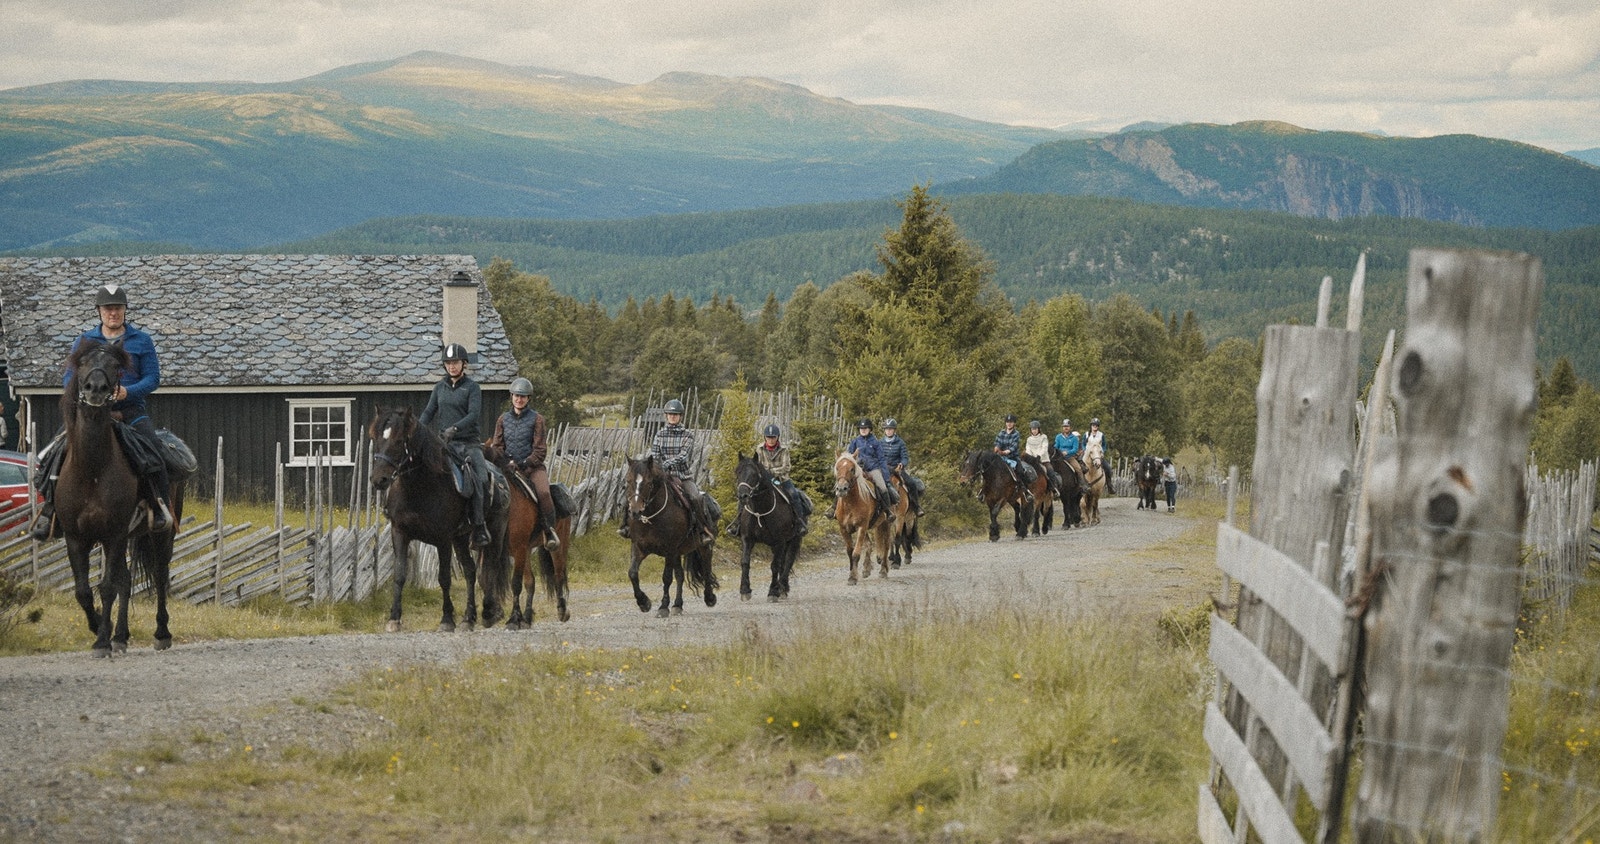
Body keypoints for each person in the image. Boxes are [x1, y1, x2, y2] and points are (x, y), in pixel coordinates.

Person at [30, 283, 173, 540]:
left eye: (117, 308)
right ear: (99, 311)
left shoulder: (142, 341)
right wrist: (83, 395)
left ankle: (159, 506)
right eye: (108, 309)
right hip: (90, 413)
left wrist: (129, 392)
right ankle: (49, 510)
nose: (113, 313)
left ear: (124, 310)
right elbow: (69, 378)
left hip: (129, 411)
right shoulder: (85, 341)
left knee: (154, 451)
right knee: (52, 451)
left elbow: (153, 378)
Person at [419, 343, 492, 548]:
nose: (452, 366)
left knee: (482, 479)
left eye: (455, 362)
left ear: (464, 364)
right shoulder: (439, 388)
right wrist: (416, 429)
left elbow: (473, 414)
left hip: (469, 443)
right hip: (445, 445)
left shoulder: (472, 388)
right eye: (448, 363)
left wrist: (455, 429)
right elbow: (428, 412)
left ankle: (479, 526)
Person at [620, 398, 717, 547]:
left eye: (676, 414)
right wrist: (657, 468)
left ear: (680, 416)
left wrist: (666, 463)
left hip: (682, 476)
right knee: (634, 493)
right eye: (670, 414)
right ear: (666, 416)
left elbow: (683, 456)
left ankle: (702, 530)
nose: (673, 417)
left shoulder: (687, 435)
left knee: (696, 497)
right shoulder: (659, 435)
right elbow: (655, 455)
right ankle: (626, 526)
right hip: (662, 476)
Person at [488, 376, 560, 550]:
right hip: (507, 467)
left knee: (543, 492)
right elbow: (497, 446)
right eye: (516, 396)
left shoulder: (537, 419)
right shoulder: (502, 419)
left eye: (523, 396)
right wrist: (506, 462)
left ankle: (549, 530)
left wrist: (523, 462)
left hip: (532, 468)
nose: (519, 399)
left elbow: (540, 450)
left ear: (528, 399)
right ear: (511, 396)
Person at [729, 423, 812, 537]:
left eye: (773, 437)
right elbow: (756, 465)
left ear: (778, 437)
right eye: (768, 437)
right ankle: (738, 523)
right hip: (764, 481)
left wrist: (769, 472)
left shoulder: (784, 450)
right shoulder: (759, 449)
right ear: (765, 437)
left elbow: (786, 467)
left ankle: (799, 522)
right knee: (745, 496)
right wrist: (764, 474)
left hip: (782, 479)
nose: (771, 440)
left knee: (793, 495)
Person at [845, 418, 897, 515]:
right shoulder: (854, 442)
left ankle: (888, 511)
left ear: (870, 429)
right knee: (842, 484)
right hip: (858, 470)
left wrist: (886, 479)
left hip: (873, 469)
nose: (863, 430)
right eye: (861, 428)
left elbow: (882, 460)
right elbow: (849, 457)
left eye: (866, 428)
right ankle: (834, 508)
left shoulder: (876, 443)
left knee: (883, 488)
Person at [878, 418, 925, 516]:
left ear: (894, 430)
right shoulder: (880, 443)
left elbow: (905, 457)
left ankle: (916, 507)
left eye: (890, 429)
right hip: (884, 469)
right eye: (887, 429)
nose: (888, 431)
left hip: (897, 469)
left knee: (911, 483)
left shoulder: (900, 443)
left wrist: (902, 464)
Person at [992, 414, 1033, 498]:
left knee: (1021, 471)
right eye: (1007, 422)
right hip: (1001, 458)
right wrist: (996, 448)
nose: (1009, 424)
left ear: (1014, 423)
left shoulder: (1016, 434)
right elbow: (997, 442)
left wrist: (1005, 452)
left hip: (1013, 457)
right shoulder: (1001, 432)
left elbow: (1014, 446)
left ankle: (1026, 491)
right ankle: (985, 491)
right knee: (990, 468)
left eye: (1011, 422)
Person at [1024, 419, 1061, 496]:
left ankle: (1054, 488)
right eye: (1032, 429)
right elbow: (1028, 449)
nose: (1034, 431)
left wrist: (1039, 455)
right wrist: (1031, 457)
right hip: (1032, 460)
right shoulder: (1029, 439)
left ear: (1039, 429)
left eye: (1035, 429)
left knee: (1050, 471)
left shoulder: (1043, 437)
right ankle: (1025, 489)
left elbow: (1044, 448)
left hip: (1043, 460)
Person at [1086, 417, 1114, 495]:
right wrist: (1086, 450)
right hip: (1088, 455)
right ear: (1091, 426)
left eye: (1097, 425)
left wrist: (1102, 451)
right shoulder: (1087, 434)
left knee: (1108, 468)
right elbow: (1083, 444)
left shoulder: (1101, 435)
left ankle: (1109, 486)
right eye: (1094, 425)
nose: (1095, 427)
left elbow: (1104, 445)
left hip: (1098, 455)